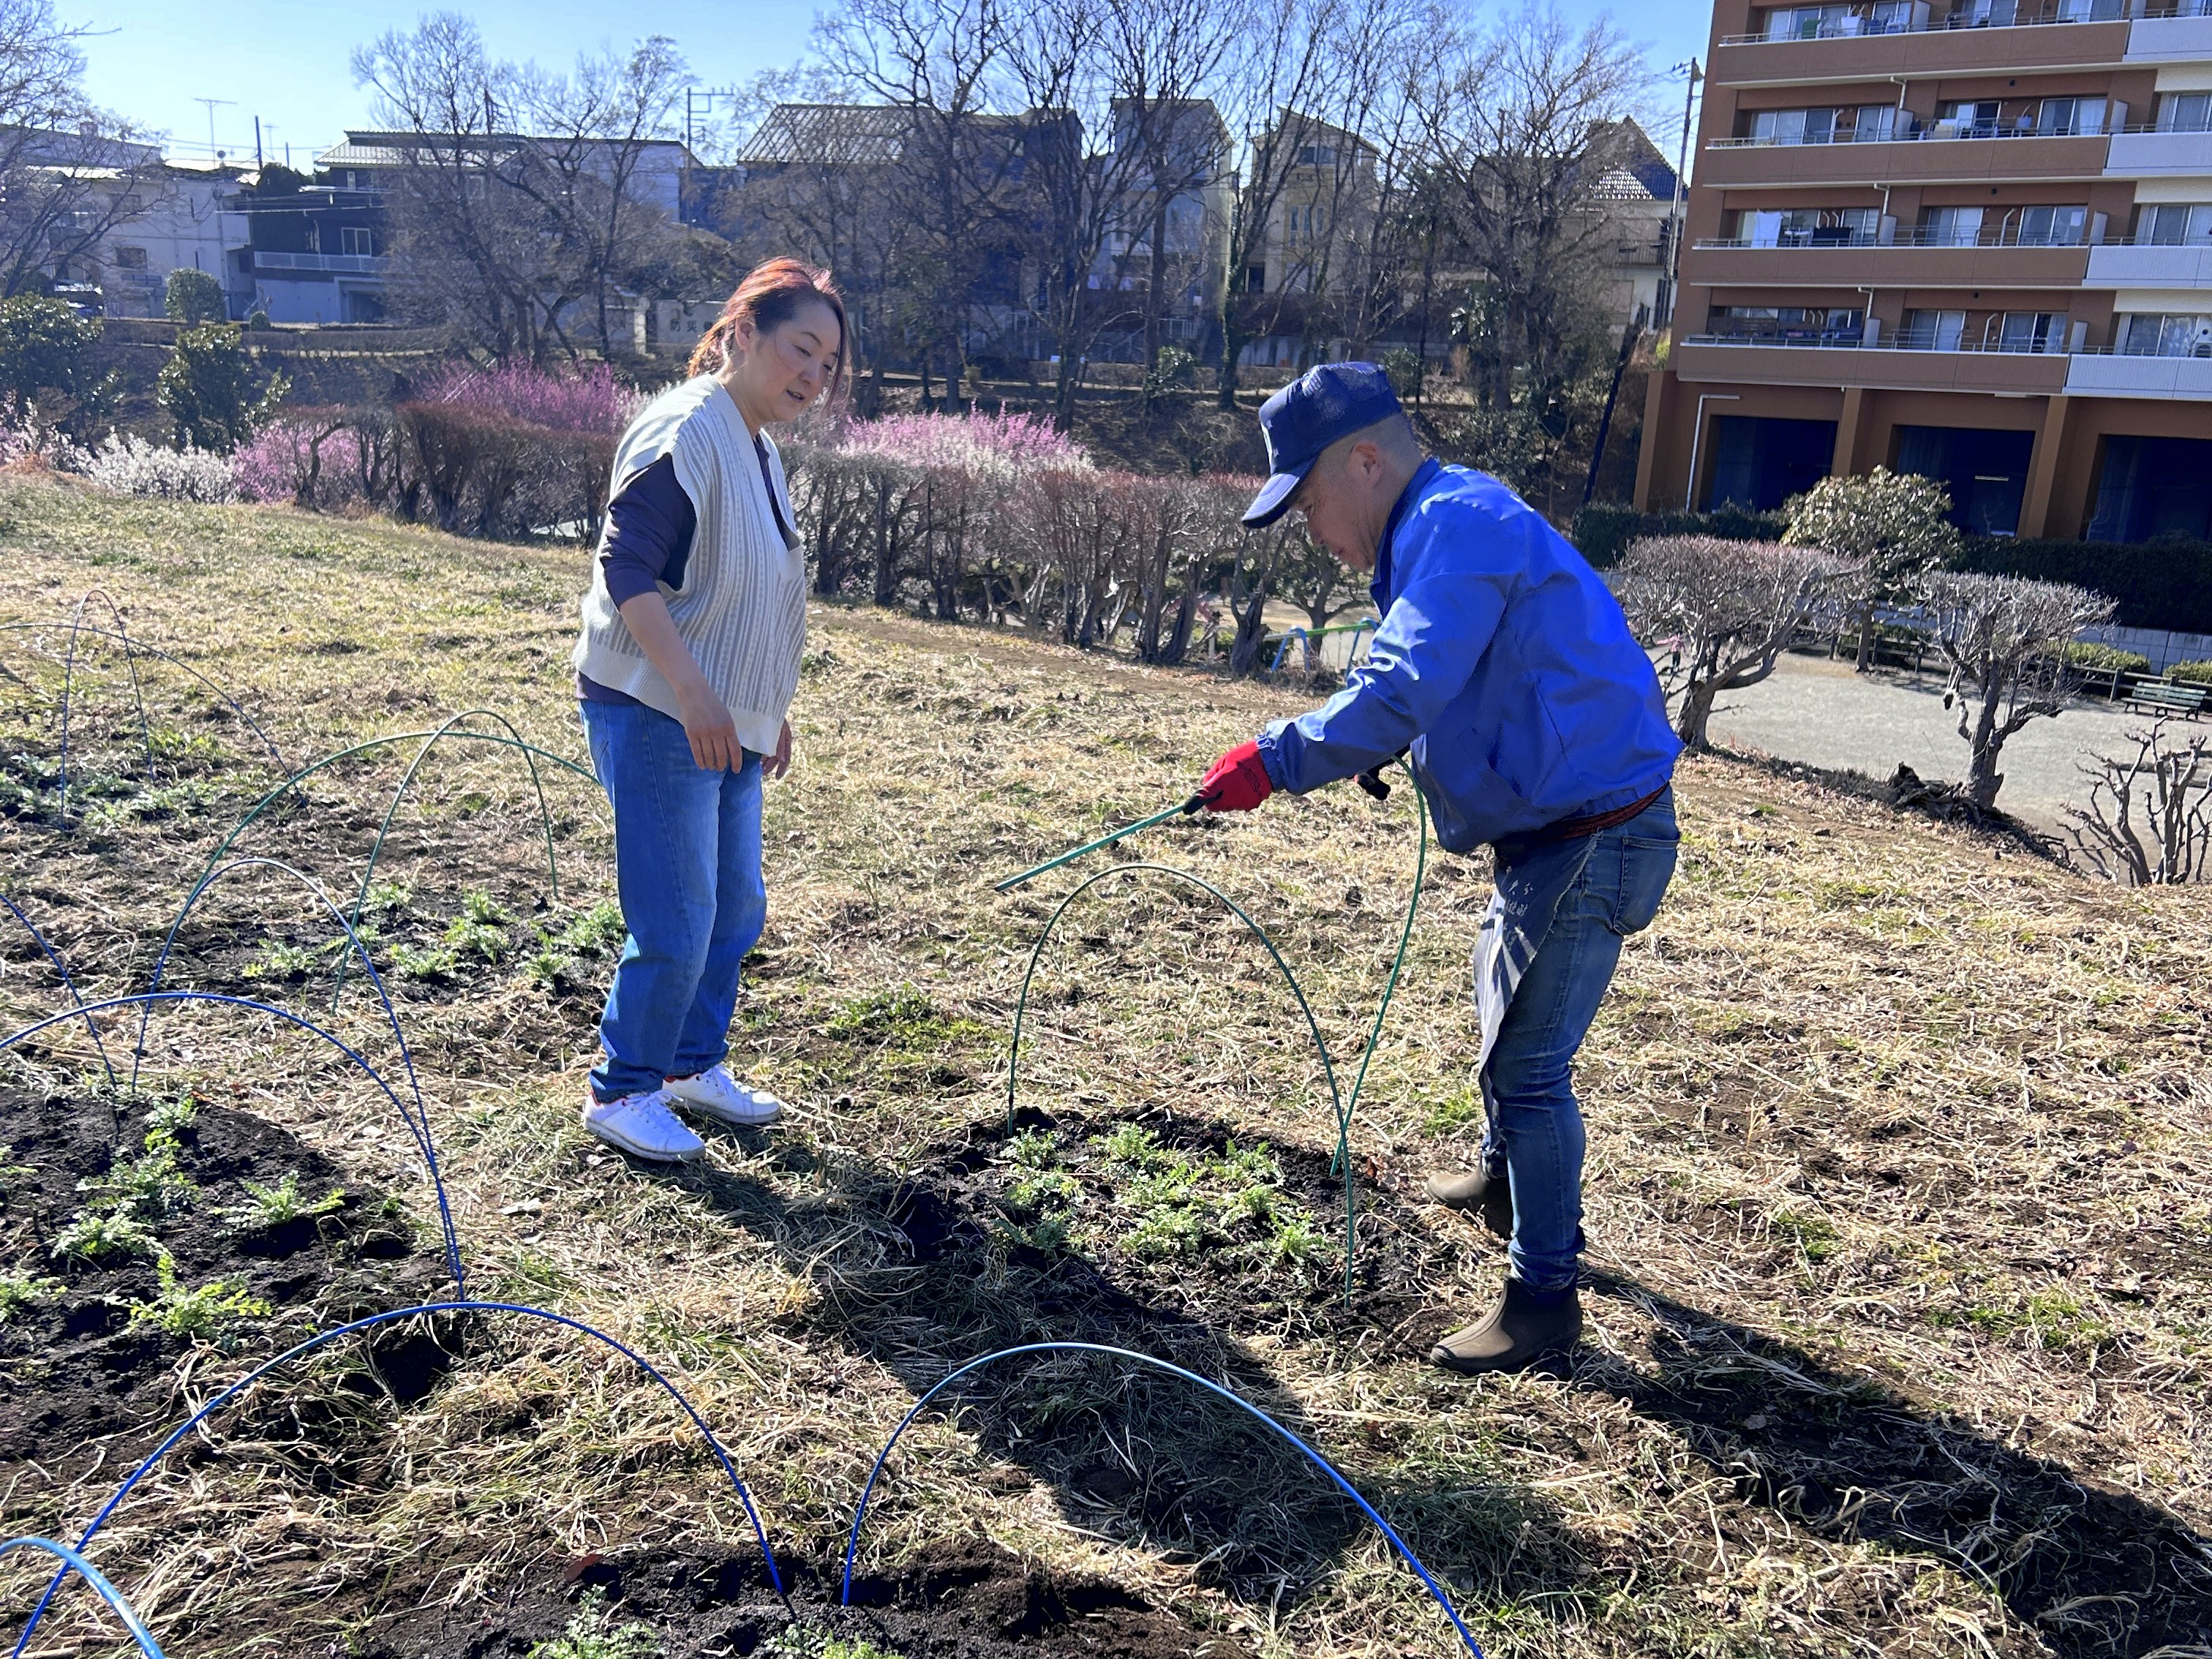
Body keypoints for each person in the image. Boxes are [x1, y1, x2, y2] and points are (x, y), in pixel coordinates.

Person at [1195, 362, 1682, 1374]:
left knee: (1529, 1066)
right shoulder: (1435, 531)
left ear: (1365, 461)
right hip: (1550, 833)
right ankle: (1508, 1182)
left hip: (1599, 835)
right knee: (1500, 998)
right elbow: (1460, 678)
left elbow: (1405, 679)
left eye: (1314, 502)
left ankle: (1543, 1298)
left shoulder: (1459, 525)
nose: (1317, 533)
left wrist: (1276, 760)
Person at [568, 258, 845, 1162]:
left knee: (734, 909)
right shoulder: (688, 425)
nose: (813, 374)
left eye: (829, 363)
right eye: (801, 347)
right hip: (659, 708)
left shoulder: (755, 443)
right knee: (678, 914)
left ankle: (689, 1064)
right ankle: (624, 1089)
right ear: (742, 333)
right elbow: (627, 567)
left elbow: (742, 590)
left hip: (727, 717)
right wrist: (695, 695)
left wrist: (765, 708)